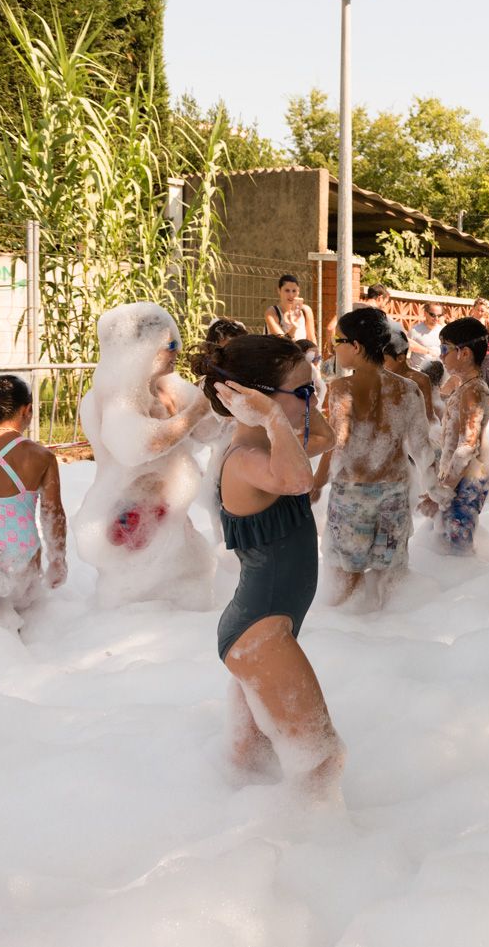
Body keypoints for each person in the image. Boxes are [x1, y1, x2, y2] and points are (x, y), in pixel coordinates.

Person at [191, 334, 342, 796]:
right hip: (259, 635)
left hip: (262, 630)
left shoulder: (278, 447)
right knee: (321, 760)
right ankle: (312, 848)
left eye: (311, 389)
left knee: (247, 756)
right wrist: (274, 414)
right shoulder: (245, 460)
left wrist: (289, 403)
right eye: (302, 392)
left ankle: (239, 830)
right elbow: (299, 481)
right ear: (253, 401)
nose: (310, 400)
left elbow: (326, 437)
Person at [78, 303, 220, 608]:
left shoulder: (163, 385)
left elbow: (209, 430)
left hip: (164, 522)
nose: (177, 351)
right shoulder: (116, 394)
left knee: (179, 594)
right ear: (142, 348)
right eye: (170, 345)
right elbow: (135, 446)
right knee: (139, 604)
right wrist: (194, 412)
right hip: (130, 522)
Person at [313, 307, 434, 609]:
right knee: (389, 576)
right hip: (394, 495)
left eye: (337, 341)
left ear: (355, 346)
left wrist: (316, 484)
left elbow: (335, 444)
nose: (333, 348)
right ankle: (387, 634)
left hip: (352, 496)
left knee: (346, 577)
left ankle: (346, 637)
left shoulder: (341, 389)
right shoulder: (408, 390)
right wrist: (435, 488)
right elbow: (422, 447)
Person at [0, 375, 67, 631]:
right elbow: (53, 514)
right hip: (22, 558)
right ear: (27, 409)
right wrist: (58, 561)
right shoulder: (42, 457)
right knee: (27, 621)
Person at [421, 317, 489, 554]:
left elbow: (467, 447)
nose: (441, 356)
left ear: (464, 353)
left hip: (466, 481)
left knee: (456, 550)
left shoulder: (472, 390)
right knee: (449, 546)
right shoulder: (466, 387)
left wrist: (442, 491)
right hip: (462, 480)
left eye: (445, 349)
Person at [384, 325, 437, 425]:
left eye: (384, 360)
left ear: (400, 358)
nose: (380, 364)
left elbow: (429, 416)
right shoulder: (382, 379)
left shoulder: (420, 380)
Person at [265, 274, 317, 344]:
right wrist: (294, 327)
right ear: (279, 291)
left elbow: (312, 340)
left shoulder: (306, 311)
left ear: (298, 291)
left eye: (294, 291)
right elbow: (283, 343)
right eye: (287, 290)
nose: (291, 295)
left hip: (301, 353)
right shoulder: (272, 312)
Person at [408, 301, 447, 372]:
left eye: (439, 315)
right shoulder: (415, 331)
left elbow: (446, 351)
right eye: (432, 315)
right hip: (418, 373)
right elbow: (407, 348)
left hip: (438, 375)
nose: (436, 318)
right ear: (425, 313)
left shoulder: (443, 331)